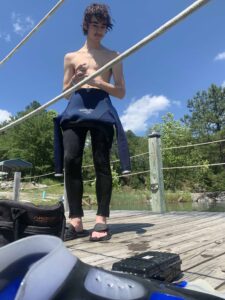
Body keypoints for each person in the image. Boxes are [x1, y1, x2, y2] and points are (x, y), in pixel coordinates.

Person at [60, 3, 130, 242]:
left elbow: (120, 92)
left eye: (103, 26)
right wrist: (78, 81)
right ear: (86, 26)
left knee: (102, 161)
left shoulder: (113, 56)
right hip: (76, 105)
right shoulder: (71, 57)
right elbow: (65, 93)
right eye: (95, 25)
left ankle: (101, 218)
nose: (99, 30)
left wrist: (99, 82)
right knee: (71, 159)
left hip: (101, 105)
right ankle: (76, 220)